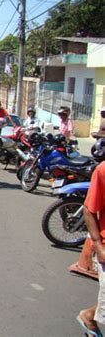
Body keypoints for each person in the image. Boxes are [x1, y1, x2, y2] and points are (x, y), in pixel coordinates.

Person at [77, 141, 105, 336]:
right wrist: (98, 245)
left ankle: (88, 316)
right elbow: (89, 209)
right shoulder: (103, 171)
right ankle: (89, 317)